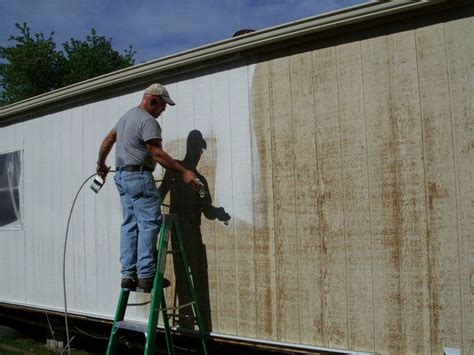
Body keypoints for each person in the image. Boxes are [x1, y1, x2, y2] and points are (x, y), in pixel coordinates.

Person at [96, 83, 199, 291]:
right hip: (139, 177)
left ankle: (128, 274)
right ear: (152, 101)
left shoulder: (126, 117)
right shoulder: (147, 121)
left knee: (129, 224)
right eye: (162, 106)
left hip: (122, 176)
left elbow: (108, 140)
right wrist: (184, 172)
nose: (163, 110)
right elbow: (157, 153)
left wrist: (101, 164)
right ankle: (147, 276)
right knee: (149, 224)